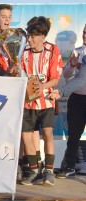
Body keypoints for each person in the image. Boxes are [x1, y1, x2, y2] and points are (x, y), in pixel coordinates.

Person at [20, 16, 60, 186]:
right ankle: (35, 170)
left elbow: (55, 79)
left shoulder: (52, 50)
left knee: (48, 133)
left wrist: (41, 87)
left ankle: (49, 171)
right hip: (27, 102)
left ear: (43, 36)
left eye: (33, 36)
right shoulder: (23, 52)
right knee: (26, 136)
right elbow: (19, 74)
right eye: (28, 35)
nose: (29, 39)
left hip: (46, 101)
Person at [49, 25, 86, 178]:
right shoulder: (77, 51)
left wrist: (61, 91)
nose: (85, 35)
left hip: (73, 91)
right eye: (84, 32)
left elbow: (82, 79)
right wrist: (71, 64)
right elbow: (66, 75)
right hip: (77, 98)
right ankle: (69, 167)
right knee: (74, 135)